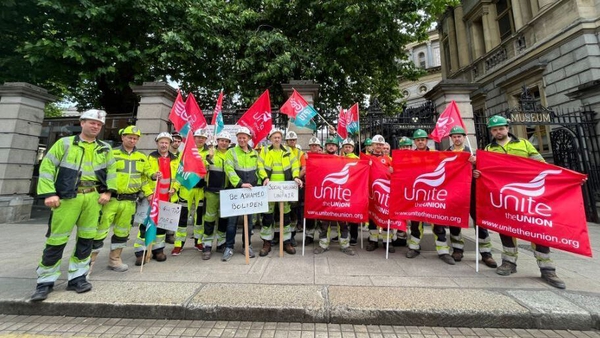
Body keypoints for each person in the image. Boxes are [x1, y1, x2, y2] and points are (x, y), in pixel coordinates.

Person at [32, 109, 116, 301]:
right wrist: (49, 193)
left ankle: (77, 277)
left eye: (99, 124)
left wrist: (108, 191)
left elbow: (112, 171)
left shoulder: (104, 148)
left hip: (93, 198)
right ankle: (45, 281)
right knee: (56, 239)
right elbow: (47, 168)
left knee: (87, 238)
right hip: (67, 198)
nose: (95, 126)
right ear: (82, 123)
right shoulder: (65, 144)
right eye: (92, 122)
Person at [474, 115, 565, 289]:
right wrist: (477, 173)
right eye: (494, 129)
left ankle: (547, 268)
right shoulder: (488, 149)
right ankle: (509, 262)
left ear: (507, 128)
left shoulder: (524, 144)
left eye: (501, 128)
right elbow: (484, 171)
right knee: (506, 228)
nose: (498, 132)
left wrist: (566, 176)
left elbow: (543, 165)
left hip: (528, 196)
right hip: (505, 196)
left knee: (537, 228)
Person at [93, 126, 152, 273]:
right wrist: (103, 192)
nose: (132, 140)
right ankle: (89, 262)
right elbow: (101, 175)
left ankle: (115, 259)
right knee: (99, 231)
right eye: (129, 137)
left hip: (130, 201)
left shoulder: (142, 157)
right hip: (111, 199)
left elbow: (145, 176)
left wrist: (151, 184)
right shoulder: (112, 153)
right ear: (123, 137)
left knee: (122, 231)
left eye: (135, 138)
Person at [445, 126, 497, 268]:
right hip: (455, 192)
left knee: (479, 220)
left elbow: (485, 172)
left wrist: (476, 167)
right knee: (454, 220)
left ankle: (486, 253)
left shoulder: (473, 153)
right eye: (454, 136)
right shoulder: (446, 154)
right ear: (451, 138)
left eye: (459, 136)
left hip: (473, 190)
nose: (457, 139)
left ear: (463, 137)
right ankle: (457, 249)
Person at [406, 129, 455, 265]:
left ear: (426, 141)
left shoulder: (436, 154)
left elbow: (449, 166)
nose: (420, 141)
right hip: (417, 194)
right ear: (414, 142)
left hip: (433, 194)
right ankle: (414, 247)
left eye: (422, 139)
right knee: (416, 222)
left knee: (437, 222)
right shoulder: (410, 156)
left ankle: (443, 250)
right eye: (418, 139)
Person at [133, 132, 180, 266]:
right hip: (152, 198)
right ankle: (141, 252)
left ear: (169, 144)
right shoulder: (150, 158)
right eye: (161, 142)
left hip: (167, 198)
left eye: (166, 142)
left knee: (162, 227)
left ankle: (158, 250)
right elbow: (143, 177)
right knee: (145, 224)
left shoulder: (175, 159)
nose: (164, 145)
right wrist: (148, 193)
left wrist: (175, 188)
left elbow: (179, 177)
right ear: (157, 143)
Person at [257, 128, 303, 256]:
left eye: (278, 137)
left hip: (285, 188)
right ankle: (266, 242)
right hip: (270, 187)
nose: (277, 139)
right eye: (274, 137)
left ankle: (286, 241)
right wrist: (264, 177)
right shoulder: (265, 150)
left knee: (286, 216)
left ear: (281, 139)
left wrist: (296, 176)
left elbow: (294, 165)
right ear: (270, 139)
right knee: (267, 216)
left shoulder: (288, 151)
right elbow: (260, 165)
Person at [223, 127, 265, 261]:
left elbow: (260, 168)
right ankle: (229, 247)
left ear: (249, 139)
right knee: (231, 222)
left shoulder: (254, 153)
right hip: (236, 190)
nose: (242, 139)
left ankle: (247, 246)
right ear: (237, 138)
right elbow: (228, 169)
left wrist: (264, 178)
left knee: (249, 223)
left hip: (250, 192)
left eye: (244, 137)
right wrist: (240, 183)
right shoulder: (231, 152)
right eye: (240, 137)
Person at [171, 128, 209, 256]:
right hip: (186, 188)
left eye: (203, 138)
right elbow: (179, 171)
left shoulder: (209, 152)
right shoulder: (186, 151)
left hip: (200, 189)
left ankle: (198, 240)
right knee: (182, 218)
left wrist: (211, 159)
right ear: (194, 138)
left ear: (206, 140)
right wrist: (175, 187)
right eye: (198, 137)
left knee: (199, 217)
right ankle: (178, 243)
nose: (200, 139)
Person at [201, 131, 232, 260]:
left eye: (226, 141)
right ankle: (207, 245)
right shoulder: (210, 153)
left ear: (229, 143)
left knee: (223, 218)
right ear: (217, 141)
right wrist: (209, 157)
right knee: (209, 218)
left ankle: (221, 243)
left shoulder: (232, 154)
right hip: (211, 191)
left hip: (226, 191)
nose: (223, 143)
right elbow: (202, 169)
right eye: (221, 140)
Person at [365, 134, 395, 253]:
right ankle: (373, 240)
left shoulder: (389, 159)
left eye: (381, 145)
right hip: (371, 192)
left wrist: (393, 171)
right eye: (377, 144)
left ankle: (388, 241)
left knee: (387, 215)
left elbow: (395, 174)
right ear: (372, 145)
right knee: (372, 216)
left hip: (385, 193)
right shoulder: (366, 159)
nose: (379, 146)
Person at [285, 131, 305, 246]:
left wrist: (296, 178)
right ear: (286, 141)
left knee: (293, 212)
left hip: (294, 185)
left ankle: (291, 236)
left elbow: (304, 168)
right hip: (282, 185)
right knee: (280, 212)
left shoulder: (300, 153)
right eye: (290, 140)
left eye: (294, 140)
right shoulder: (282, 150)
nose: (292, 141)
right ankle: (279, 236)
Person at [303, 136, 322, 244]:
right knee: (309, 212)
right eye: (312, 145)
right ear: (309, 146)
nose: (314, 147)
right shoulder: (305, 156)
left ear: (319, 146)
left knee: (320, 213)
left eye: (316, 145)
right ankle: (309, 235)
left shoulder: (323, 156)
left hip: (321, 188)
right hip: (309, 187)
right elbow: (302, 169)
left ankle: (321, 234)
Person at [165, 132, 183, 244]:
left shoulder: (181, 155)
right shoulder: (165, 154)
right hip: (164, 188)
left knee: (173, 213)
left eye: (178, 141)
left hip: (176, 189)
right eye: (174, 141)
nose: (176, 143)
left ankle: (170, 234)